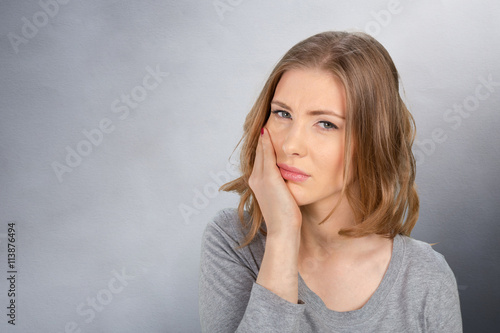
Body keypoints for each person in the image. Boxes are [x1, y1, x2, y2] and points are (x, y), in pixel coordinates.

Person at [198, 31, 462, 332]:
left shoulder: (426, 277)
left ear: (373, 139)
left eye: (325, 123)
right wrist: (283, 236)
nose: (291, 145)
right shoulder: (233, 241)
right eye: (282, 113)